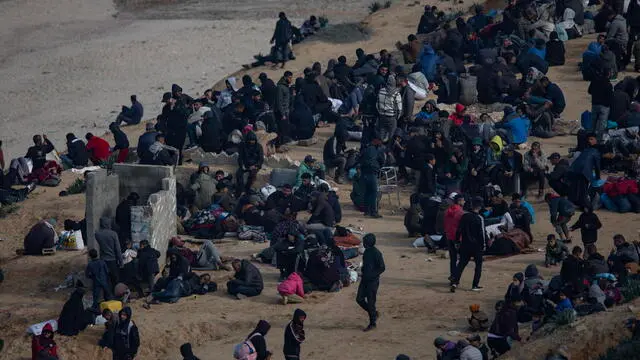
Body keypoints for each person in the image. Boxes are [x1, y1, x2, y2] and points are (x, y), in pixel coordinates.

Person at [451, 197, 486, 292]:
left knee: (461, 264)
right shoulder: (479, 218)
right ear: (479, 207)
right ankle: (475, 285)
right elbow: (482, 234)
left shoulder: (464, 216)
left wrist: (457, 241)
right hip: (476, 246)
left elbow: (459, 230)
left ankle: (455, 282)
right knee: (478, 266)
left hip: (465, 244)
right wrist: (483, 246)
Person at [357, 233, 386, 332]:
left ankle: (372, 323)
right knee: (359, 299)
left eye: (364, 242)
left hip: (372, 282)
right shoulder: (366, 252)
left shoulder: (376, 253)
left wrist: (372, 275)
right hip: (365, 280)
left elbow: (382, 267)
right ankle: (374, 313)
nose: (363, 243)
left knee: (371, 302)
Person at [94, 217, 122, 287]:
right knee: (115, 279)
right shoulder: (113, 234)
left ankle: (107, 295)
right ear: (107, 224)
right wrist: (121, 261)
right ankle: (115, 295)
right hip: (112, 260)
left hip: (103, 259)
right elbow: (118, 249)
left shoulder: (97, 234)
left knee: (105, 279)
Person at [360, 138, 385, 218]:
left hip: (364, 173)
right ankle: (373, 212)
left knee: (367, 192)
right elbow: (382, 161)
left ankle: (367, 211)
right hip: (372, 172)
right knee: (374, 192)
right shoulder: (378, 150)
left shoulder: (365, 148)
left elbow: (360, 159)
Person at [444, 193, 465, 280]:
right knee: (462, 258)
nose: (464, 202)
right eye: (463, 200)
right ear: (459, 201)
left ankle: (453, 275)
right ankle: (456, 276)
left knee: (453, 258)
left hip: (449, 237)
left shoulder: (447, 211)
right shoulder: (461, 213)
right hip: (458, 238)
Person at [377, 74, 402, 143]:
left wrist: (380, 112)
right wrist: (397, 117)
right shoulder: (396, 93)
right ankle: (388, 150)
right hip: (391, 117)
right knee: (392, 135)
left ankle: (380, 148)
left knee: (381, 133)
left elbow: (377, 104)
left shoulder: (381, 91)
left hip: (382, 115)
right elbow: (399, 108)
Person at [589, 71, 614, 141]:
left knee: (592, 122)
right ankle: (599, 140)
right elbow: (610, 97)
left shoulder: (594, 81)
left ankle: (589, 138)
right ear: (608, 75)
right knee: (602, 124)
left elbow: (589, 91)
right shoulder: (608, 84)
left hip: (594, 104)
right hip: (604, 106)